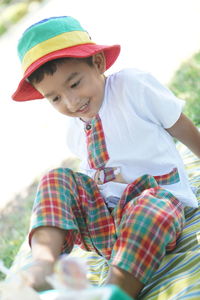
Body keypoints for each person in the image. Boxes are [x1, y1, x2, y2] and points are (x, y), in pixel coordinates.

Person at [12, 16, 200, 299]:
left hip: (156, 210)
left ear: (98, 63)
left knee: (149, 205)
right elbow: (91, 182)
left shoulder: (132, 87)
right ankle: (43, 264)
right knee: (57, 178)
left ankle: (115, 290)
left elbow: (179, 125)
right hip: (107, 225)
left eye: (74, 84)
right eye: (55, 99)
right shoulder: (73, 131)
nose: (71, 102)